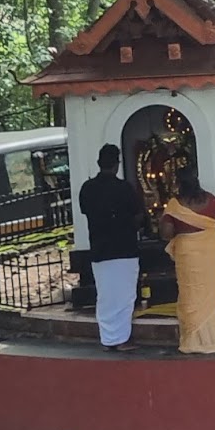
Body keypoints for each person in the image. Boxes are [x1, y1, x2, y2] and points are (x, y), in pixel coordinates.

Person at [78, 143, 145, 351]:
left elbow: (86, 211)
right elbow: (138, 215)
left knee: (106, 295)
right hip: (124, 248)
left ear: (99, 163)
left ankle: (108, 338)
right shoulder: (124, 188)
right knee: (124, 296)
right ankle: (121, 339)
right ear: (117, 164)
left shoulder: (87, 188)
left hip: (99, 248)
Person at [157, 165, 215, 355]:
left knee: (190, 294)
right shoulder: (211, 199)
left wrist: (165, 220)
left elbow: (166, 233)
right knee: (210, 292)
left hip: (188, 254)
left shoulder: (175, 204)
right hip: (209, 250)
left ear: (178, 183)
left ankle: (194, 341)